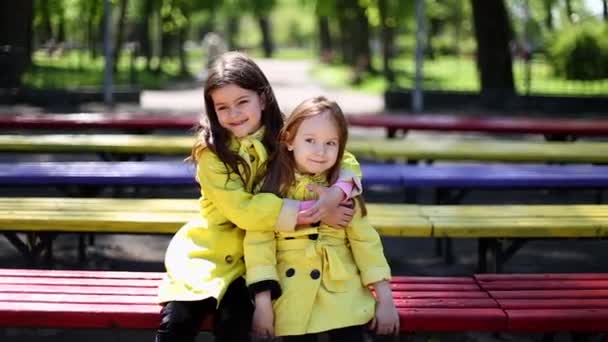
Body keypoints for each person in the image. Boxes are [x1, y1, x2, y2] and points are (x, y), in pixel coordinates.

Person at [155, 52, 363, 342]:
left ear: (262, 99)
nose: (234, 113)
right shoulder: (211, 154)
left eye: (242, 102)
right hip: (211, 252)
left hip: (268, 253)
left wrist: (336, 193)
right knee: (178, 322)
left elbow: (344, 157)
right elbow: (243, 211)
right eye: (222, 107)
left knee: (235, 323)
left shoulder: (286, 135)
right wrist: (314, 211)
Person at [245, 96, 400, 342]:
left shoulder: (344, 188)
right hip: (290, 293)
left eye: (330, 143)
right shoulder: (271, 186)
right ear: (289, 141)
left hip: (343, 291)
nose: (320, 151)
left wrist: (386, 299)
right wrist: (263, 303)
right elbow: (258, 247)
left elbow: (365, 243)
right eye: (310, 141)